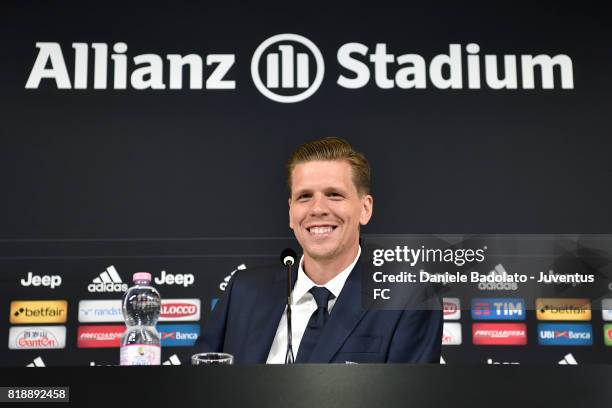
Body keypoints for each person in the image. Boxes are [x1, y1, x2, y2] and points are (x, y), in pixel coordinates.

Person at [198, 137, 442, 363]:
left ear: (365, 209)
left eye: (334, 195)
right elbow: (198, 386)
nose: (317, 209)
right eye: (304, 197)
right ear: (291, 212)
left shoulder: (409, 299)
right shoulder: (244, 290)